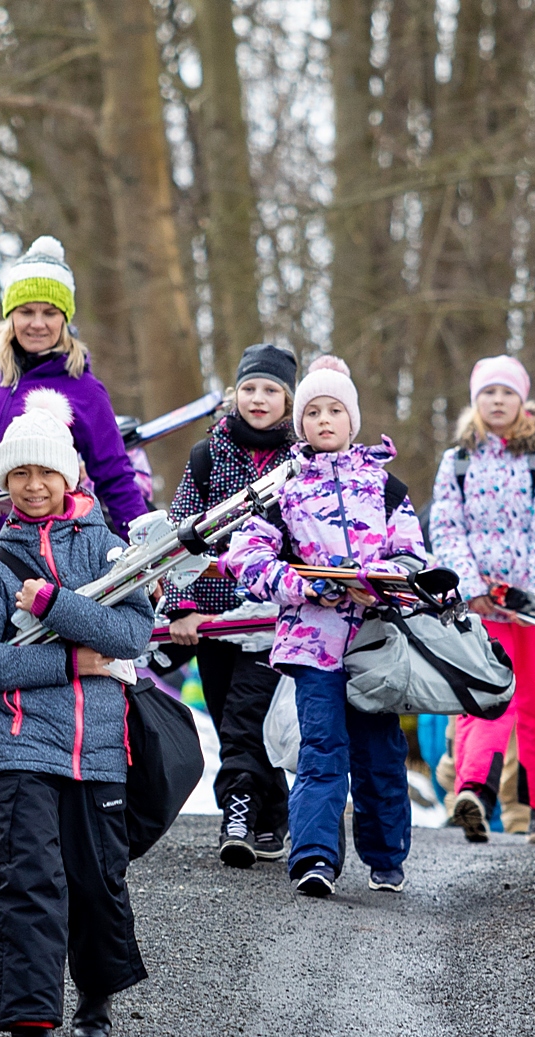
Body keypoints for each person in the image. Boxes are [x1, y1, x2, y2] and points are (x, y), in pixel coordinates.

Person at [0, 391, 153, 1037]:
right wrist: (65, 659)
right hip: (17, 744)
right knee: (31, 876)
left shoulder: (109, 551)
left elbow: (132, 633)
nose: (34, 487)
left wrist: (54, 605)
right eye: (20, 476)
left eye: (46, 473)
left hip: (97, 750)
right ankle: (31, 1015)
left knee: (97, 880)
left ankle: (95, 996)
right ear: (5, 484)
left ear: (70, 477)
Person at [0, 236, 146, 768]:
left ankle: (36, 787)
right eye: (26, 311)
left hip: (51, 558)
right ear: (10, 313)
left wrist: (143, 547)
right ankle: (1, 788)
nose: (37, 323)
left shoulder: (85, 389)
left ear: (65, 317)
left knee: (42, 672)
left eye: (49, 312)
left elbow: (114, 475)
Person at [225, 355, 429, 897]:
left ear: (351, 419)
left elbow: (413, 558)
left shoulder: (387, 488)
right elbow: (247, 559)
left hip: (375, 644)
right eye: (312, 411)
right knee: (321, 751)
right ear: (300, 424)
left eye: (334, 410)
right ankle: (314, 859)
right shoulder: (281, 490)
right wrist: (303, 584)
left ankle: (387, 859)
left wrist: (379, 581)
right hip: (311, 645)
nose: (323, 420)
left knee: (379, 753)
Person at [159, 343, 298, 868]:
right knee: (229, 717)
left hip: (273, 618)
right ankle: (271, 816)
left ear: (288, 400)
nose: (258, 400)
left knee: (248, 715)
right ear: (234, 394)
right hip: (212, 619)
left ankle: (236, 810)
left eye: (271, 391)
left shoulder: (301, 463)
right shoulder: (206, 456)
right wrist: (181, 609)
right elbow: (177, 542)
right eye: (249, 389)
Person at [427, 355, 535, 841]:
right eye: (488, 392)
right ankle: (475, 792)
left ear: (522, 400)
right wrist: (470, 589)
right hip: (481, 606)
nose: (497, 400)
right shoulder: (458, 461)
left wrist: (528, 594)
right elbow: (446, 528)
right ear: (476, 400)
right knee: (484, 698)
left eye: (506, 392)